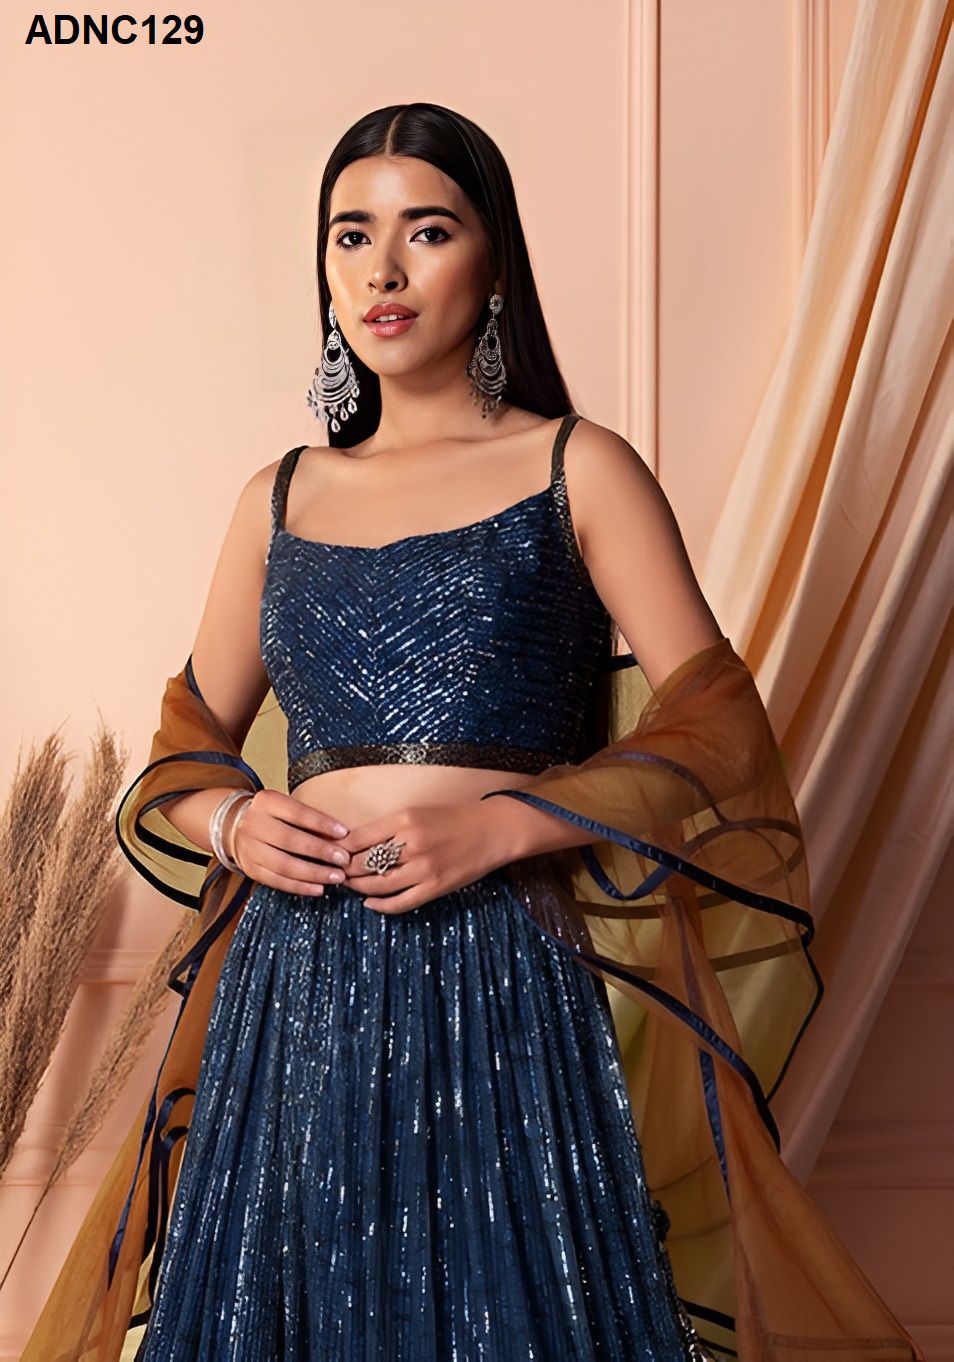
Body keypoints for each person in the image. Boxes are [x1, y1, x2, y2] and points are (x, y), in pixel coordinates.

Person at [20, 102, 922, 1362]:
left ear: (494, 264)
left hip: (500, 971)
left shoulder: (578, 468)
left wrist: (509, 825)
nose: (381, 271)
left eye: (427, 231)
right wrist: (231, 820)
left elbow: (718, 725)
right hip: (294, 990)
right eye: (351, 235)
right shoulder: (278, 498)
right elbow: (184, 739)